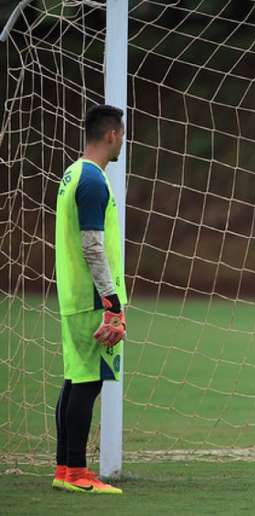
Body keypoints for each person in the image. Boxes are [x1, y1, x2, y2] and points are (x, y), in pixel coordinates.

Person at [52, 104, 128, 494]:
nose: (122, 143)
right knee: (86, 385)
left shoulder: (72, 173)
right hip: (91, 300)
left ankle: (65, 469)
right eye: (122, 136)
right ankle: (79, 474)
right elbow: (92, 247)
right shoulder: (94, 181)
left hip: (75, 296)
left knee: (75, 382)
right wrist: (112, 303)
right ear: (112, 135)